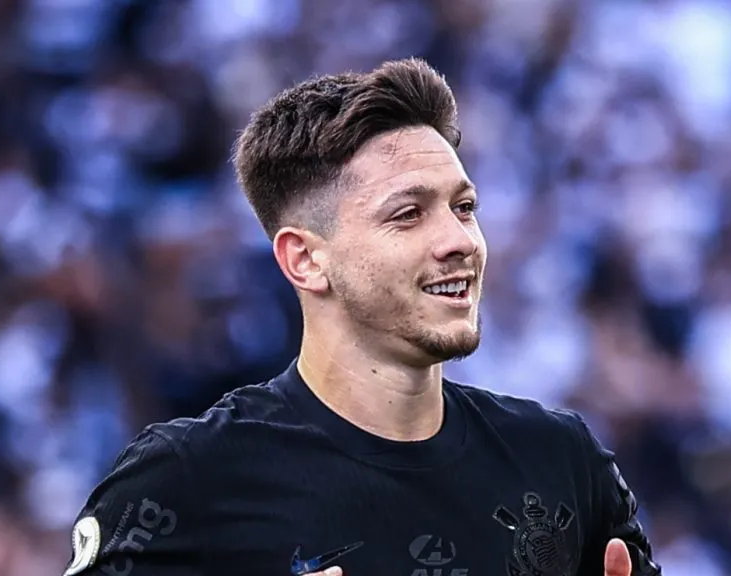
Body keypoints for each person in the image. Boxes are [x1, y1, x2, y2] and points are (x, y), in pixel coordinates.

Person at [62, 58, 661, 576]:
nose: (460, 240)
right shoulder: (185, 482)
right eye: (407, 214)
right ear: (306, 260)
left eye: (464, 207)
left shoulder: (562, 461)